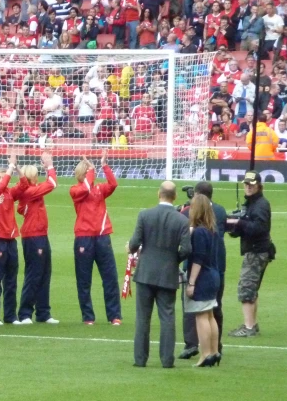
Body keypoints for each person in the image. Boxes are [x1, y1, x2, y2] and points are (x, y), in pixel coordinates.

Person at [128, 181, 191, 368]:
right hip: (167, 275)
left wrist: (134, 251)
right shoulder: (181, 220)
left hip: (145, 273)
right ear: (175, 196)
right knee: (167, 318)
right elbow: (187, 249)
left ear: (159, 194)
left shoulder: (145, 215)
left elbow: (134, 243)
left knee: (142, 318)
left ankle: (140, 360)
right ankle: (167, 360)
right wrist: (174, 260)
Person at [69, 151, 122, 326]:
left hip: (102, 236)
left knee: (110, 277)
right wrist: (90, 171)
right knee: (84, 280)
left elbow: (113, 184)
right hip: (84, 238)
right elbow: (85, 188)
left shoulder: (99, 189)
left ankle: (114, 315)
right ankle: (88, 316)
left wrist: (104, 165)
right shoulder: (76, 190)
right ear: (81, 175)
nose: (91, 175)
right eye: (87, 173)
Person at [179, 182, 227, 360]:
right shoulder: (214, 224)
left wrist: (191, 283)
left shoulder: (198, 231)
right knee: (211, 313)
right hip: (216, 271)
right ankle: (215, 351)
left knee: (200, 315)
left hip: (202, 276)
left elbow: (197, 259)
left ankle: (204, 353)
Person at [227, 171, 275, 338]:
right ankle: (251, 324)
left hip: (256, 251)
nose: (248, 187)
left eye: (251, 184)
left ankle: (248, 327)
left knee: (246, 288)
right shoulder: (253, 203)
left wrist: (239, 223)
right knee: (251, 288)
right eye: (246, 184)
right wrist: (235, 228)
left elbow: (260, 228)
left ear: (258, 186)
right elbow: (250, 227)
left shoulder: (260, 204)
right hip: (258, 250)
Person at [0, 155, 28, 326]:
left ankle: (10, 316)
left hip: (11, 240)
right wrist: (9, 167)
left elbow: (23, 185)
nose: (2, 180)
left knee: (11, 280)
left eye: (3, 177)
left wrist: (16, 169)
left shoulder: (8, 192)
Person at [16, 153, 59, 325]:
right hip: (34, 236)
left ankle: (43, 312)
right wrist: (49, 165)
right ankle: (25, 313)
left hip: (39, 234)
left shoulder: (30, 192)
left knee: (44, 274)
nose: (37, 177)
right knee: (34, 274)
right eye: (35, 175)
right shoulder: (30, 191)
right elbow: (52, 184)